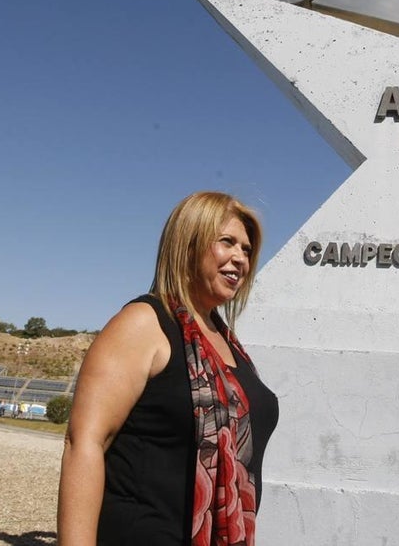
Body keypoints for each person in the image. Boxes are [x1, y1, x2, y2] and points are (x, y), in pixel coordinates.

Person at [58, 191, 279, 546]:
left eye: (247, 249)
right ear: (188, 245)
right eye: (227, 243)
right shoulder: (143, 324)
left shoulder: (225, 340)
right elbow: (84, 443)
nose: (240, 258)